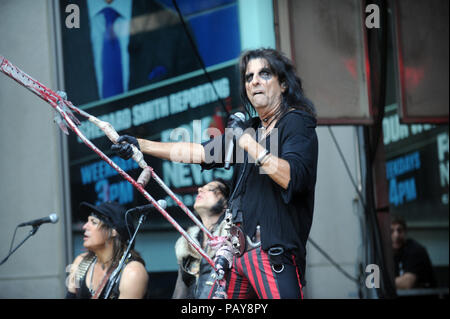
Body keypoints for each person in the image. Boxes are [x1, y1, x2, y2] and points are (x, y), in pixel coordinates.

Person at [111, 48, 318, 299]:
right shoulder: (249, 129)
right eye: (248, 76)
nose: (254, 81)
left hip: (270, 252)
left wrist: (246, 141)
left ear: (283, 84)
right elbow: (198, 152)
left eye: (264, 74)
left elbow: (291, 177)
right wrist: (140, 145)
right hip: (235, 253)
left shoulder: (295, 123)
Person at [66, 201, 148, 299]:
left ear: (114, 231)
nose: (85, 226)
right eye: (87, 221)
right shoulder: (80, 262)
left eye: (93, 222)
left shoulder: (133, 273)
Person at [172, 178, 230, 299]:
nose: (200, 189)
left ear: (225, 203)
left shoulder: (233, 237)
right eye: (201, 188)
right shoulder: (186, 243)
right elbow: (180, 291)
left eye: (210, 189)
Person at [391, 216, 436, 290]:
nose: (396, 235)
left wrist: (379, 282)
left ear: (405, 232)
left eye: (399, 230)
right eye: (391, 231)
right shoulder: (389, 253)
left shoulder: (415, 250)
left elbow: (407, 284)